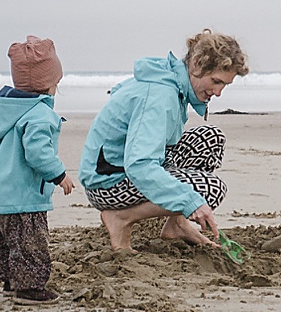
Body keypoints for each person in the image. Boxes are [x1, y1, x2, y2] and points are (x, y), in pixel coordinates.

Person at [79, 30, 247, 251]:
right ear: (196, 64)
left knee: (210, 138)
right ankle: (121, 218)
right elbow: (139, 165)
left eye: (224, 85)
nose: (218, 92)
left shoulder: (169, 79)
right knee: (210, 189)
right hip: (108, 183)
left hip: (122, 166)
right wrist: (190, 202)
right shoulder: (160, 95)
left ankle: (177, 224)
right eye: (215, 81)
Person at [0, 36, 76, 304]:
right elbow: (37, 152)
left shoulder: (3, 109)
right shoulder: (38, 114)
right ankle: (30, 289)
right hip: (24, 194)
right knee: (30, 243)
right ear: (49, 84)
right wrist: (59, 175)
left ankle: (11, 281)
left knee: (7, 242)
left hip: (0, 193)